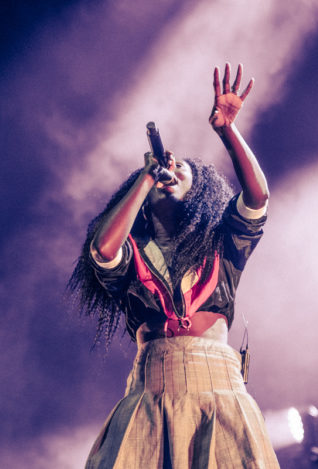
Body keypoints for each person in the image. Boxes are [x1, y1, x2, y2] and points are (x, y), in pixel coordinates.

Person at [69, 63, 280, 469]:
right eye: (165, 169)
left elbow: (258, 198)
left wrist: (227, 131)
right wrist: (146, 177)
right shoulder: (132, 252)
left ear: (198, 191)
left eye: (181, 168)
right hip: (150, 396)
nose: (172, 170)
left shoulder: (222, 243)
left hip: (219, 392)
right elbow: (102, 250)